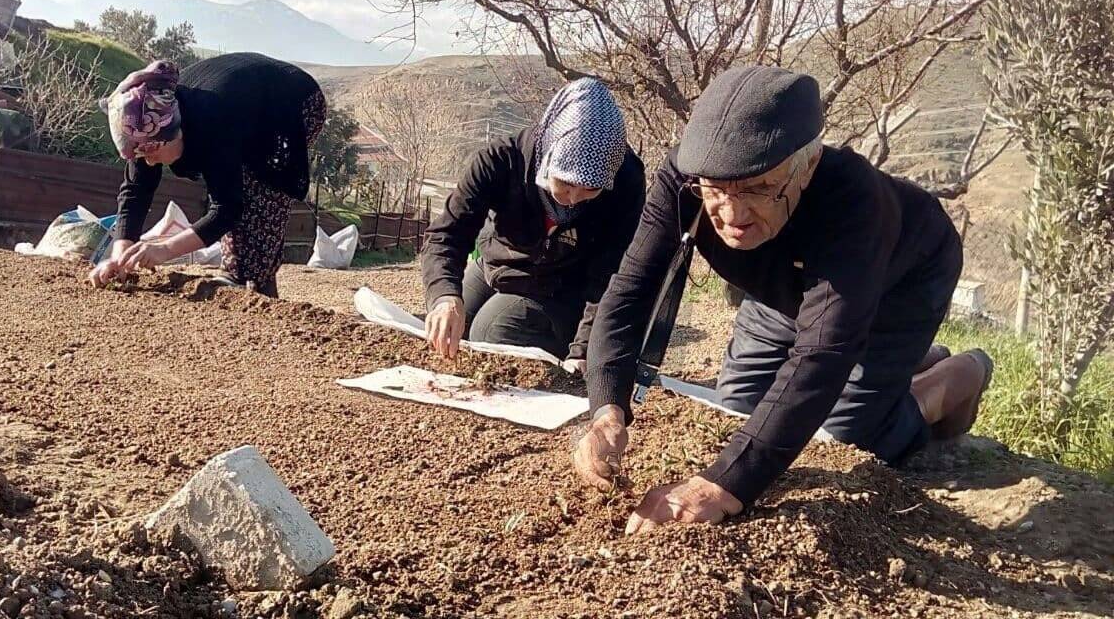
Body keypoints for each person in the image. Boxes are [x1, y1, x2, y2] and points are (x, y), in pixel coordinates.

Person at [573, 65, 995, 534]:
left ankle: (957, 375)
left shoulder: (855, 202)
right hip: (781, 287)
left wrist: (721, 487)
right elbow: (631, 289)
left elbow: (823, 352)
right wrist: (606, 409)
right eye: (714, 189)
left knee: (840, 438)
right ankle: (901, 365)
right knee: (735, 407)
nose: (731, 214)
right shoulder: (686, 175)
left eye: (757, 188)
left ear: (807, 164)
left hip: (897, 283)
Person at [421, 78, 645, 369]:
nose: (574, 198)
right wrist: (445, 296)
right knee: (454, 327)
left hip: (566, 286)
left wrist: (583, 349)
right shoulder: (501, 160)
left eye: (590, 189)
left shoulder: (626, 180)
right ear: (547, 157)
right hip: (499, 263)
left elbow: (612, 271)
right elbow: (447, 234)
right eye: (564, 183)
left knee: (492, 334)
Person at [87, 53, 326, 297]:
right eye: (140, 156)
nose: (148, 161)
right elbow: (135, 192)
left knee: (258, 189)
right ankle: (253, 281)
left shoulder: (212, 126)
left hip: (293, 99)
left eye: (151, 152)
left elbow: (227, 209)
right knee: (242, 204)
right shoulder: (144, 122)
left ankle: (250, 285)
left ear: (176, 132)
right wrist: (119, 257)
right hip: (244, 101)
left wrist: (165, 249)